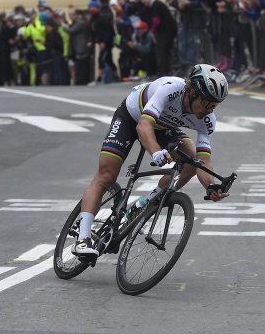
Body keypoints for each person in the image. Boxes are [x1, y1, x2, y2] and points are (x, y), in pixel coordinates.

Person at [72, 64, 230, 256]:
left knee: (191, 157)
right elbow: (144, 125)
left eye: (214, 105)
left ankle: (149, 202)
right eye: (207, 103)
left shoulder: (207, 120)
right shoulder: (171, 89)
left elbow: (203, 160)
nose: (210, 110)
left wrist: (210, 186)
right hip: (132, 118)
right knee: (106, 176)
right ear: (192, 92)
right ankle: (83, 239)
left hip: (163, 127)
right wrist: (156, 152)